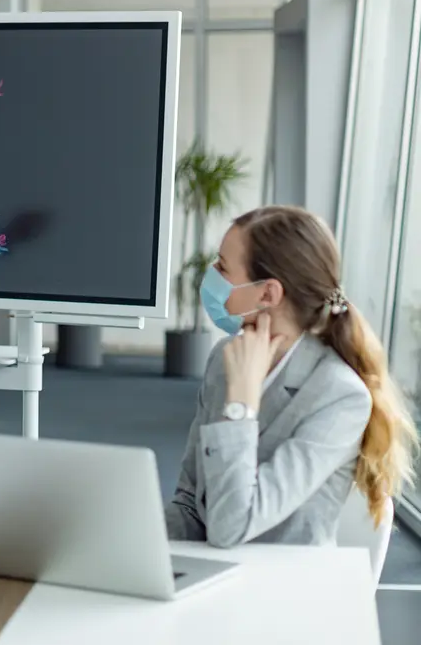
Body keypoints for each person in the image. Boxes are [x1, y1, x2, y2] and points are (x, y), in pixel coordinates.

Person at [165, 205, 418, 548]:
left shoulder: (339, 396)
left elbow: (231, 527)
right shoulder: (223, 359)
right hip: (213, 571)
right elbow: (192, 502)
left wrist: (240, 405)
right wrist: (139, 537)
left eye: (223, 268)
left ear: (268, 293)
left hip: (281, 585)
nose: (210, 275)